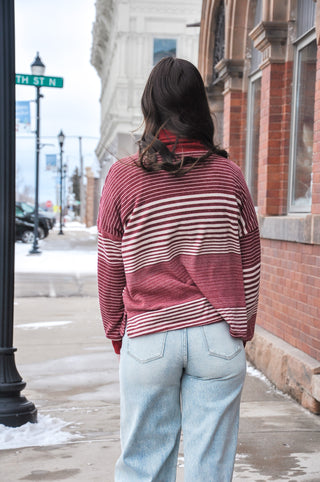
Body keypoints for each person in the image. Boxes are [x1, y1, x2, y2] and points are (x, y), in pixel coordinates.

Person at [97, 57, 261, 482]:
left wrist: (117, 329)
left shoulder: (123, 177)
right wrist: (242, 325)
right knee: (211, 469)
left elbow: (110, 264)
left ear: (149, 106)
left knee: (142, 466)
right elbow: (250, 258)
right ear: (200, 106)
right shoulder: (229, 176)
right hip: (216, 335)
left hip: (150, 335)